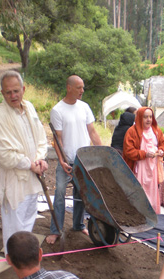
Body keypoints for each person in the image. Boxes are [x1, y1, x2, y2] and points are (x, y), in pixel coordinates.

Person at [0, 70, 48, 254]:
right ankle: (13, 255)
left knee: (29, 215)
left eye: (16, 91)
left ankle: (23, 254)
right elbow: (4, 154)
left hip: (32, 176)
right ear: (2, 93)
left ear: (23, 89)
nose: (13, 95)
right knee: (14, 220)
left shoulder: (29, 107)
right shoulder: (0, 115)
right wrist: (30, 165)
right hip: (14, 179)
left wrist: (39, 160)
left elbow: (40, 137)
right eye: (8, 92)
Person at [46, 75, 102, 245]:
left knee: (82, 195)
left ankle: (78, 225)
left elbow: (92, 132)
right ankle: (56, 230)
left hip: (83, 161)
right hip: (67, 161)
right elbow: (58, 138)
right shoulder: (58, 110)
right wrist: (62, 160)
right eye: (79, 87)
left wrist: (102, 152)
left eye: (83, 87)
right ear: (69, 88)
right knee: (61, 193)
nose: (82, 91)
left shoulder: (84, 107)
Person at [123, 107, 164, 214]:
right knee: (138, 190)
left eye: (150, 117)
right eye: (145, 117)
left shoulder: (156, 131)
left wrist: (161, 151)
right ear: (139, 118)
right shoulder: (132, 131)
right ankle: (137, 213)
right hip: (138, 167)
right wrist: (144, 154)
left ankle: (150, 213)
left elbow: (163, 144)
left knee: (152, 190)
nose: (148, 120)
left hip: (153, 168)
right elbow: (128, 151)